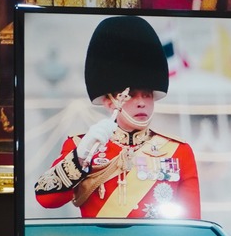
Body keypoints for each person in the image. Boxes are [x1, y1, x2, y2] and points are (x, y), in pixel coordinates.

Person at [33, 14, 199, 219]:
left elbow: (191, 223)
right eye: (130, 95)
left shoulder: (178, 152)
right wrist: (80, 157)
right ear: (109, 102)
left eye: (147, 95)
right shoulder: (81, 147)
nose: (141, 102)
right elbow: (47, 199)